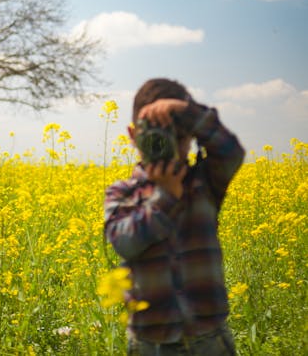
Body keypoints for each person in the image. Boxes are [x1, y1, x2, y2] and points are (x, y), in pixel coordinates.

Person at [104, 78, 245, 356]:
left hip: (210, 339)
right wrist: (166, 196)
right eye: (155, 136)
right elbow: (124, 242)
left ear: (193, 136)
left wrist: (188, 111)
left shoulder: (204, 181)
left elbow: (230, 151)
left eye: (178, 136)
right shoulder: (122, 192)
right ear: (133, 135)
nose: (168, 145)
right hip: (151, 344)